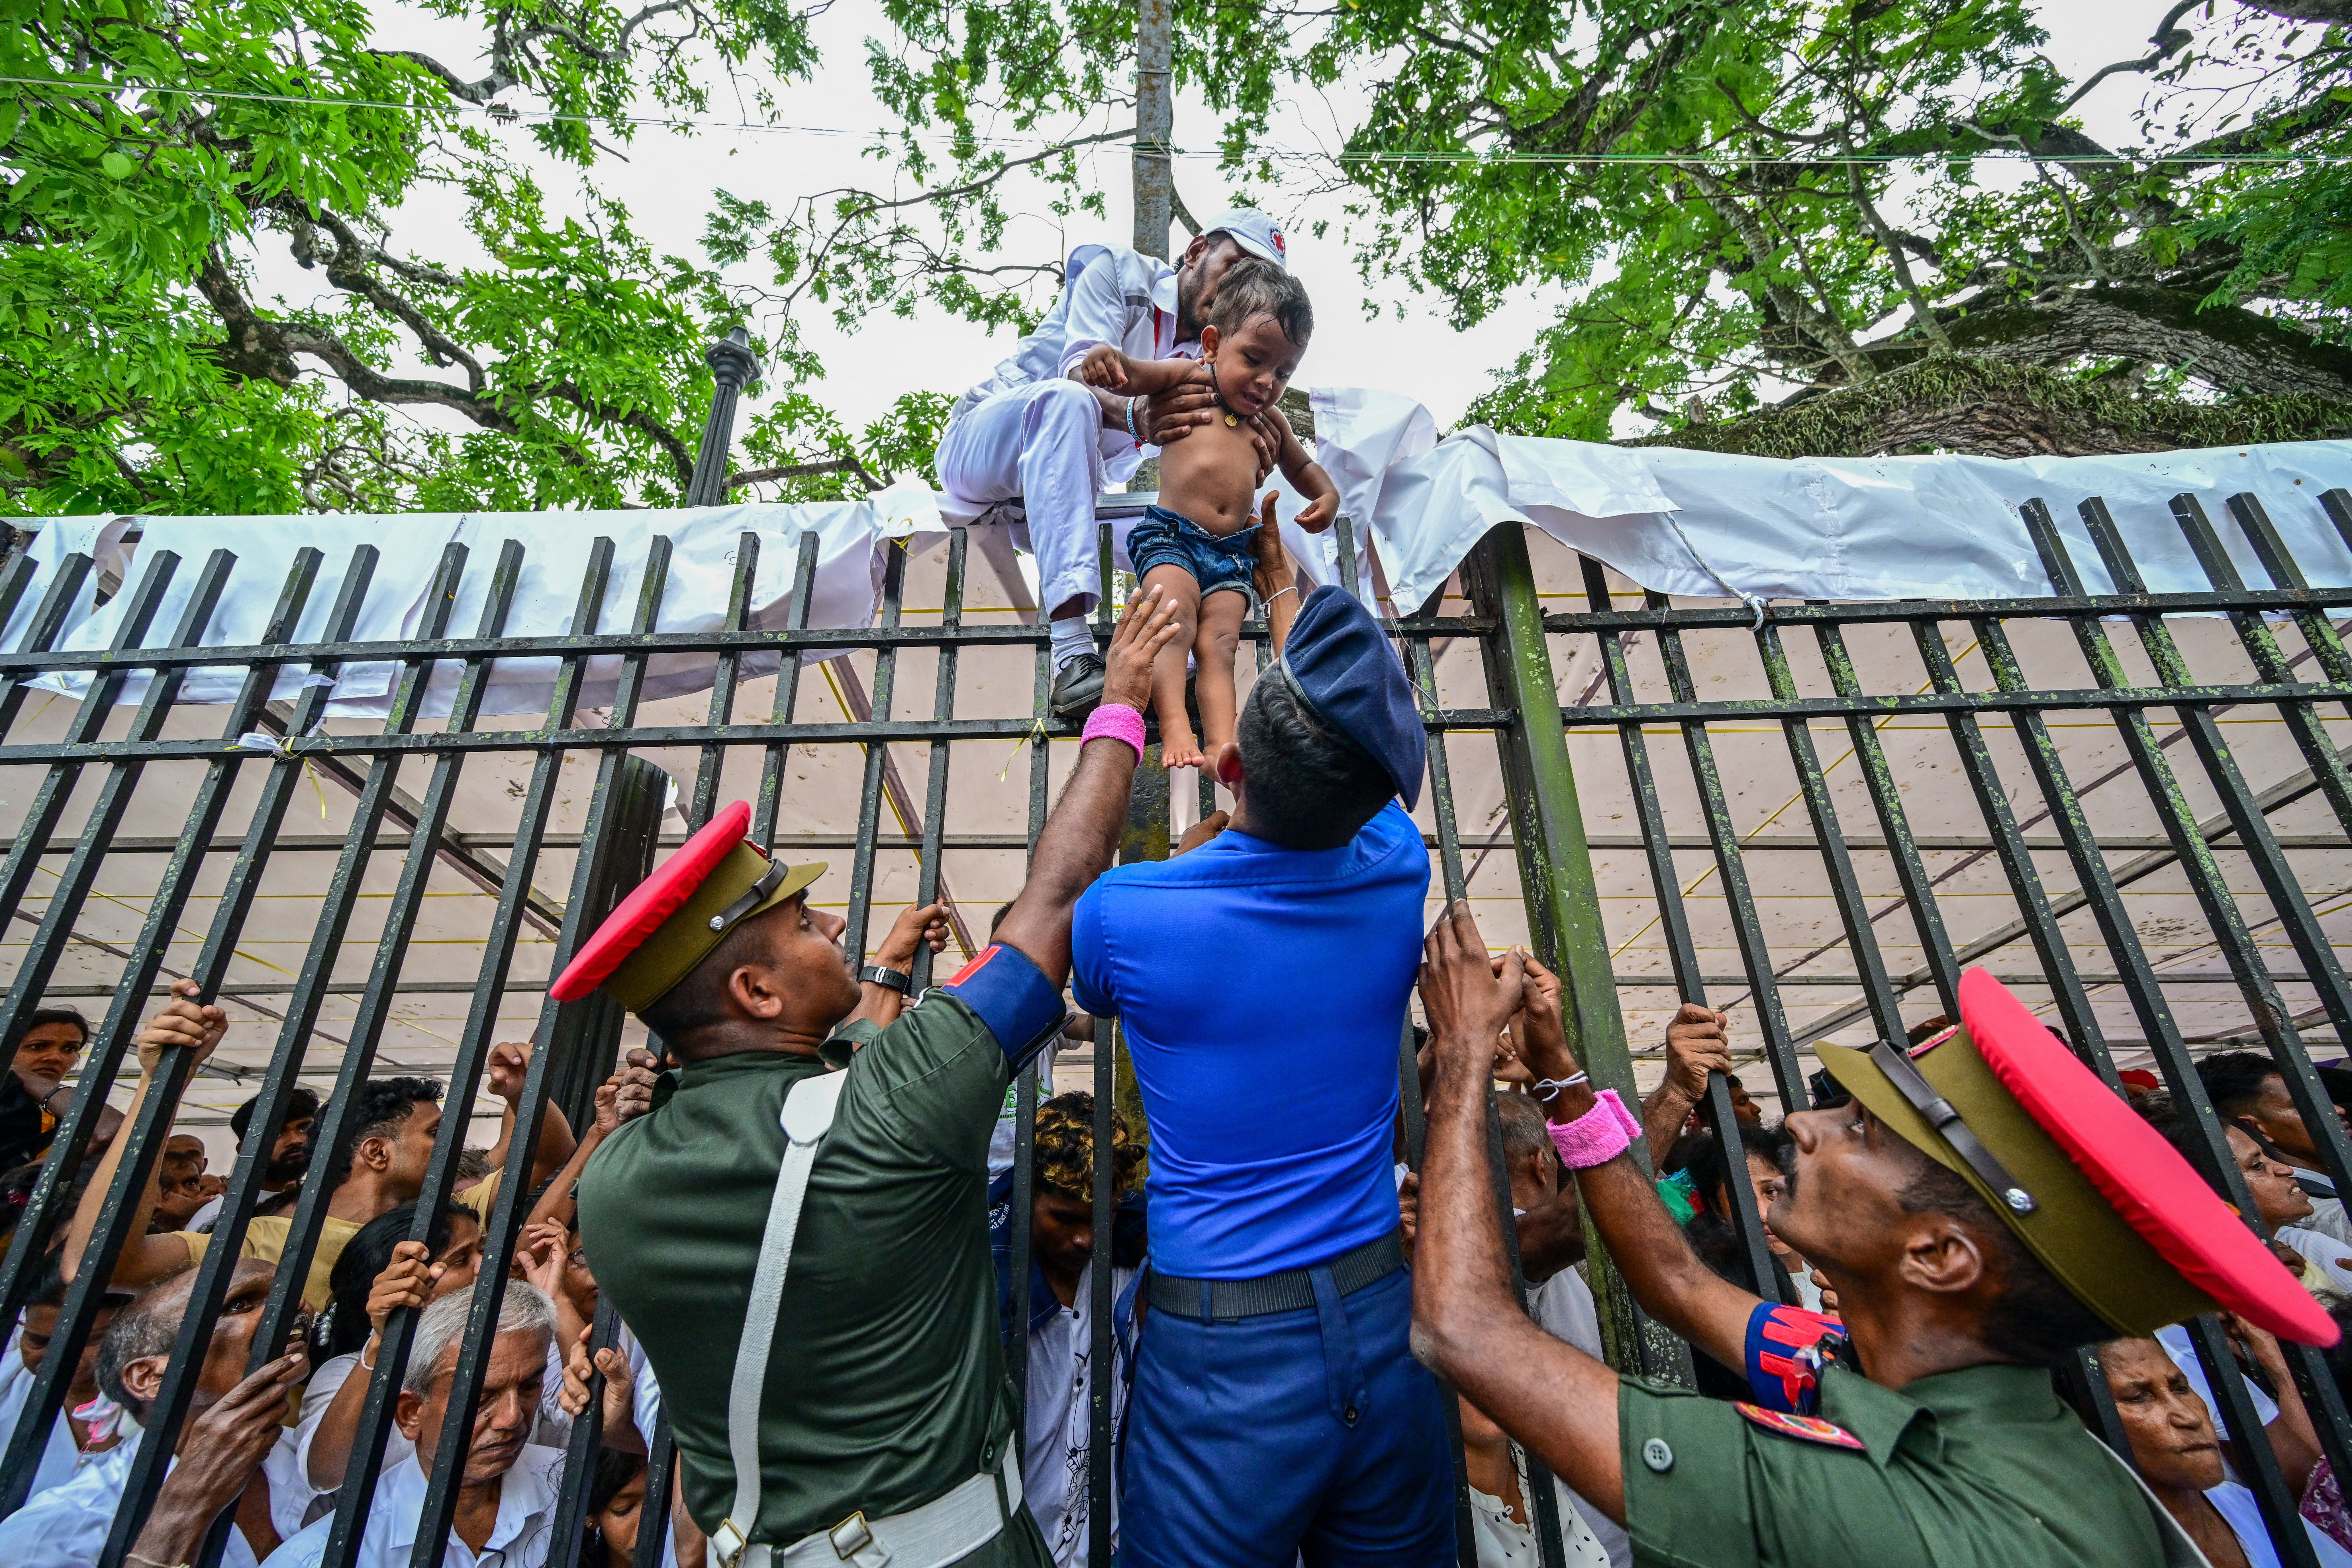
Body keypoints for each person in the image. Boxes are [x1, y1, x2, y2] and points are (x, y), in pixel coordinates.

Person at [567, 588, 1179, 1568]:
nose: (837, 927)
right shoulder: (889, 1105)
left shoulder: (613, 1179)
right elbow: (1053, 898)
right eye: (807, 926)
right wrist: (1118, 706)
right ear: (758, 991)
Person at [1412, 925, 2341, 1568]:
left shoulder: (1891, 1503)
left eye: (1859, 1132)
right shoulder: (1910, 1383)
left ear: (1938, 1258)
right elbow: (1673, 1281)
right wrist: (1562, 1075)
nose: (1805, 1125)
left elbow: (1464, 1329)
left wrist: (1460, 1052)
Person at [1071, 584, 1454, 1567]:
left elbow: (1060, 904)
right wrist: (1287, 595)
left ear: (1232, 767)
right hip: (1385, 1314)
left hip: (1222, 1351)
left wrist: (1121, 702)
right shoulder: (1396, 864)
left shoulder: (1127, 915)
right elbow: (1336, 762)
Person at [935, 209, 1291, 719]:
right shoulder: (1119, 272)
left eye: (1254, 283)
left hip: (1063, 504)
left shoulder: (1221, 357)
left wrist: (1255, 455)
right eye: (1234, 267)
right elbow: (1080, 374)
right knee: (1066, 401)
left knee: (1222, 521)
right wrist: (1135, 414)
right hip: (983, 456)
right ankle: (1073, 657)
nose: (1240, 288)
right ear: (1195, 252)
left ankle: (1183, 671)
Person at [1072, 259, 1339, 771]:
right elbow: (1135, 376)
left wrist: (1326, 496)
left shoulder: (1271, 421)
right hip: (1171, 537)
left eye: (1283, 372)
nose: (1266, 381)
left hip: (1231, 555)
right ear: (1213, 345)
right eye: (1254, 359)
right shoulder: (1188, 377)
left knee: (1221, 646)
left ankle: (1221, 742)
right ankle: (1175, 723)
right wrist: (1107, 360)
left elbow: (1304, 467)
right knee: (1172, 628)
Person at [66, 997, 446, 1312]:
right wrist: (160, 1085)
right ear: (377, 1153)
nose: (451, 1145)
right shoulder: (258, 1240)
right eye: (435, 1134)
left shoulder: (448, 1224)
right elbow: (97, 1264)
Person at [0, 1257, 313, 1568]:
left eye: (286, 1291)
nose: (296, 1304)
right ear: (149, 1377)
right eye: (240, 1304)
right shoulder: (56, 1530)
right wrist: (185, 1509)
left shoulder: (315, 1458)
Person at [263, 1284, 566, 1568]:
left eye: (530, 1385)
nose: (513, 1417)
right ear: (411, 1413)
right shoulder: (320, 1556)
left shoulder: (573, 1486)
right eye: (481, 1397)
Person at [989, 1091, 1145, 1567]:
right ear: (1026, 1195)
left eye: (1104, 1216)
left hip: (1106, 1546)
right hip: (1010, 1548)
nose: (1085, 1238)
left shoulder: (1127, 1263)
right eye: (1064, 1218)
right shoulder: (988, 1290)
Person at [2097, 1334, 2352, 1567]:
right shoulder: (2100, 1552)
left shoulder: (2248, 1505)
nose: (2189, 1417)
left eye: (2181, 1388)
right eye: (2138, 1397)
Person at [296, 1199, 486, 1494]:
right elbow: (325, 1472)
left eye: (482, 1249)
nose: (483, 1265)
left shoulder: (499, 1347)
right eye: (461, 1259)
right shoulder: (344, 1373)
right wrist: (384, 1339)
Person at [0, 1249, 134, 1498]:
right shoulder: (8, 1382)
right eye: (39, 1341)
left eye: (88, 1340)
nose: (59, 1357)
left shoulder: (167, 1407)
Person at [2203, 1050, 2352, 1250]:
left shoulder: (2333, 1184)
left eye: (2325, 1098)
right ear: (2254, 1127)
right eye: (2305, 1105)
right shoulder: (2307, 1211)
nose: (2338, 1110)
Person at [0, 1007, 118, 1170]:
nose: (56, 1058)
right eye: (38, 1047)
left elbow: (110, 1130)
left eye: (70, 1049)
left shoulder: (63, 1113)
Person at [188, 1087, 320, 1231]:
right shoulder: (221, 1214)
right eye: (276, 1134)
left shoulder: (318, 1201)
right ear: (245, 1150)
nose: (296, 1140)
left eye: (304, 1129)